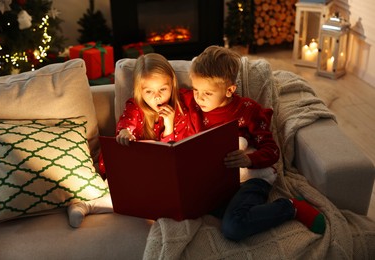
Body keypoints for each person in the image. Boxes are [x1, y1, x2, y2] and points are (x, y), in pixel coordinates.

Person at [189, 45, 326, 242]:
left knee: (233, 227)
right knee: (192, 205)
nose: (198, 98)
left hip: (252, 177)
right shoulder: (195, 106)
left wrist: (248, 159)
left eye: (207, 93)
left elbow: (272, 151)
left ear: (229, 90)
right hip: (221, 179)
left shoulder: (248, 111)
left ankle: (291, 207)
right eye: (195, 90)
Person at [68, 53, 198, 228]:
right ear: (140, 91)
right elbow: (126, 123)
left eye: (162, 89)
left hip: (162, 175)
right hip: (136, 172)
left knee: (168, 195)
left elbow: (176, 150)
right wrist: (125, 133)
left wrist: (168, 126)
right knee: (131, 195)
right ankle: (85, 205)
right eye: (149, 91)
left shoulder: (181, 109)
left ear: (172, 84)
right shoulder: (135, 107)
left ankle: (93, 205)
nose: (157, 97)